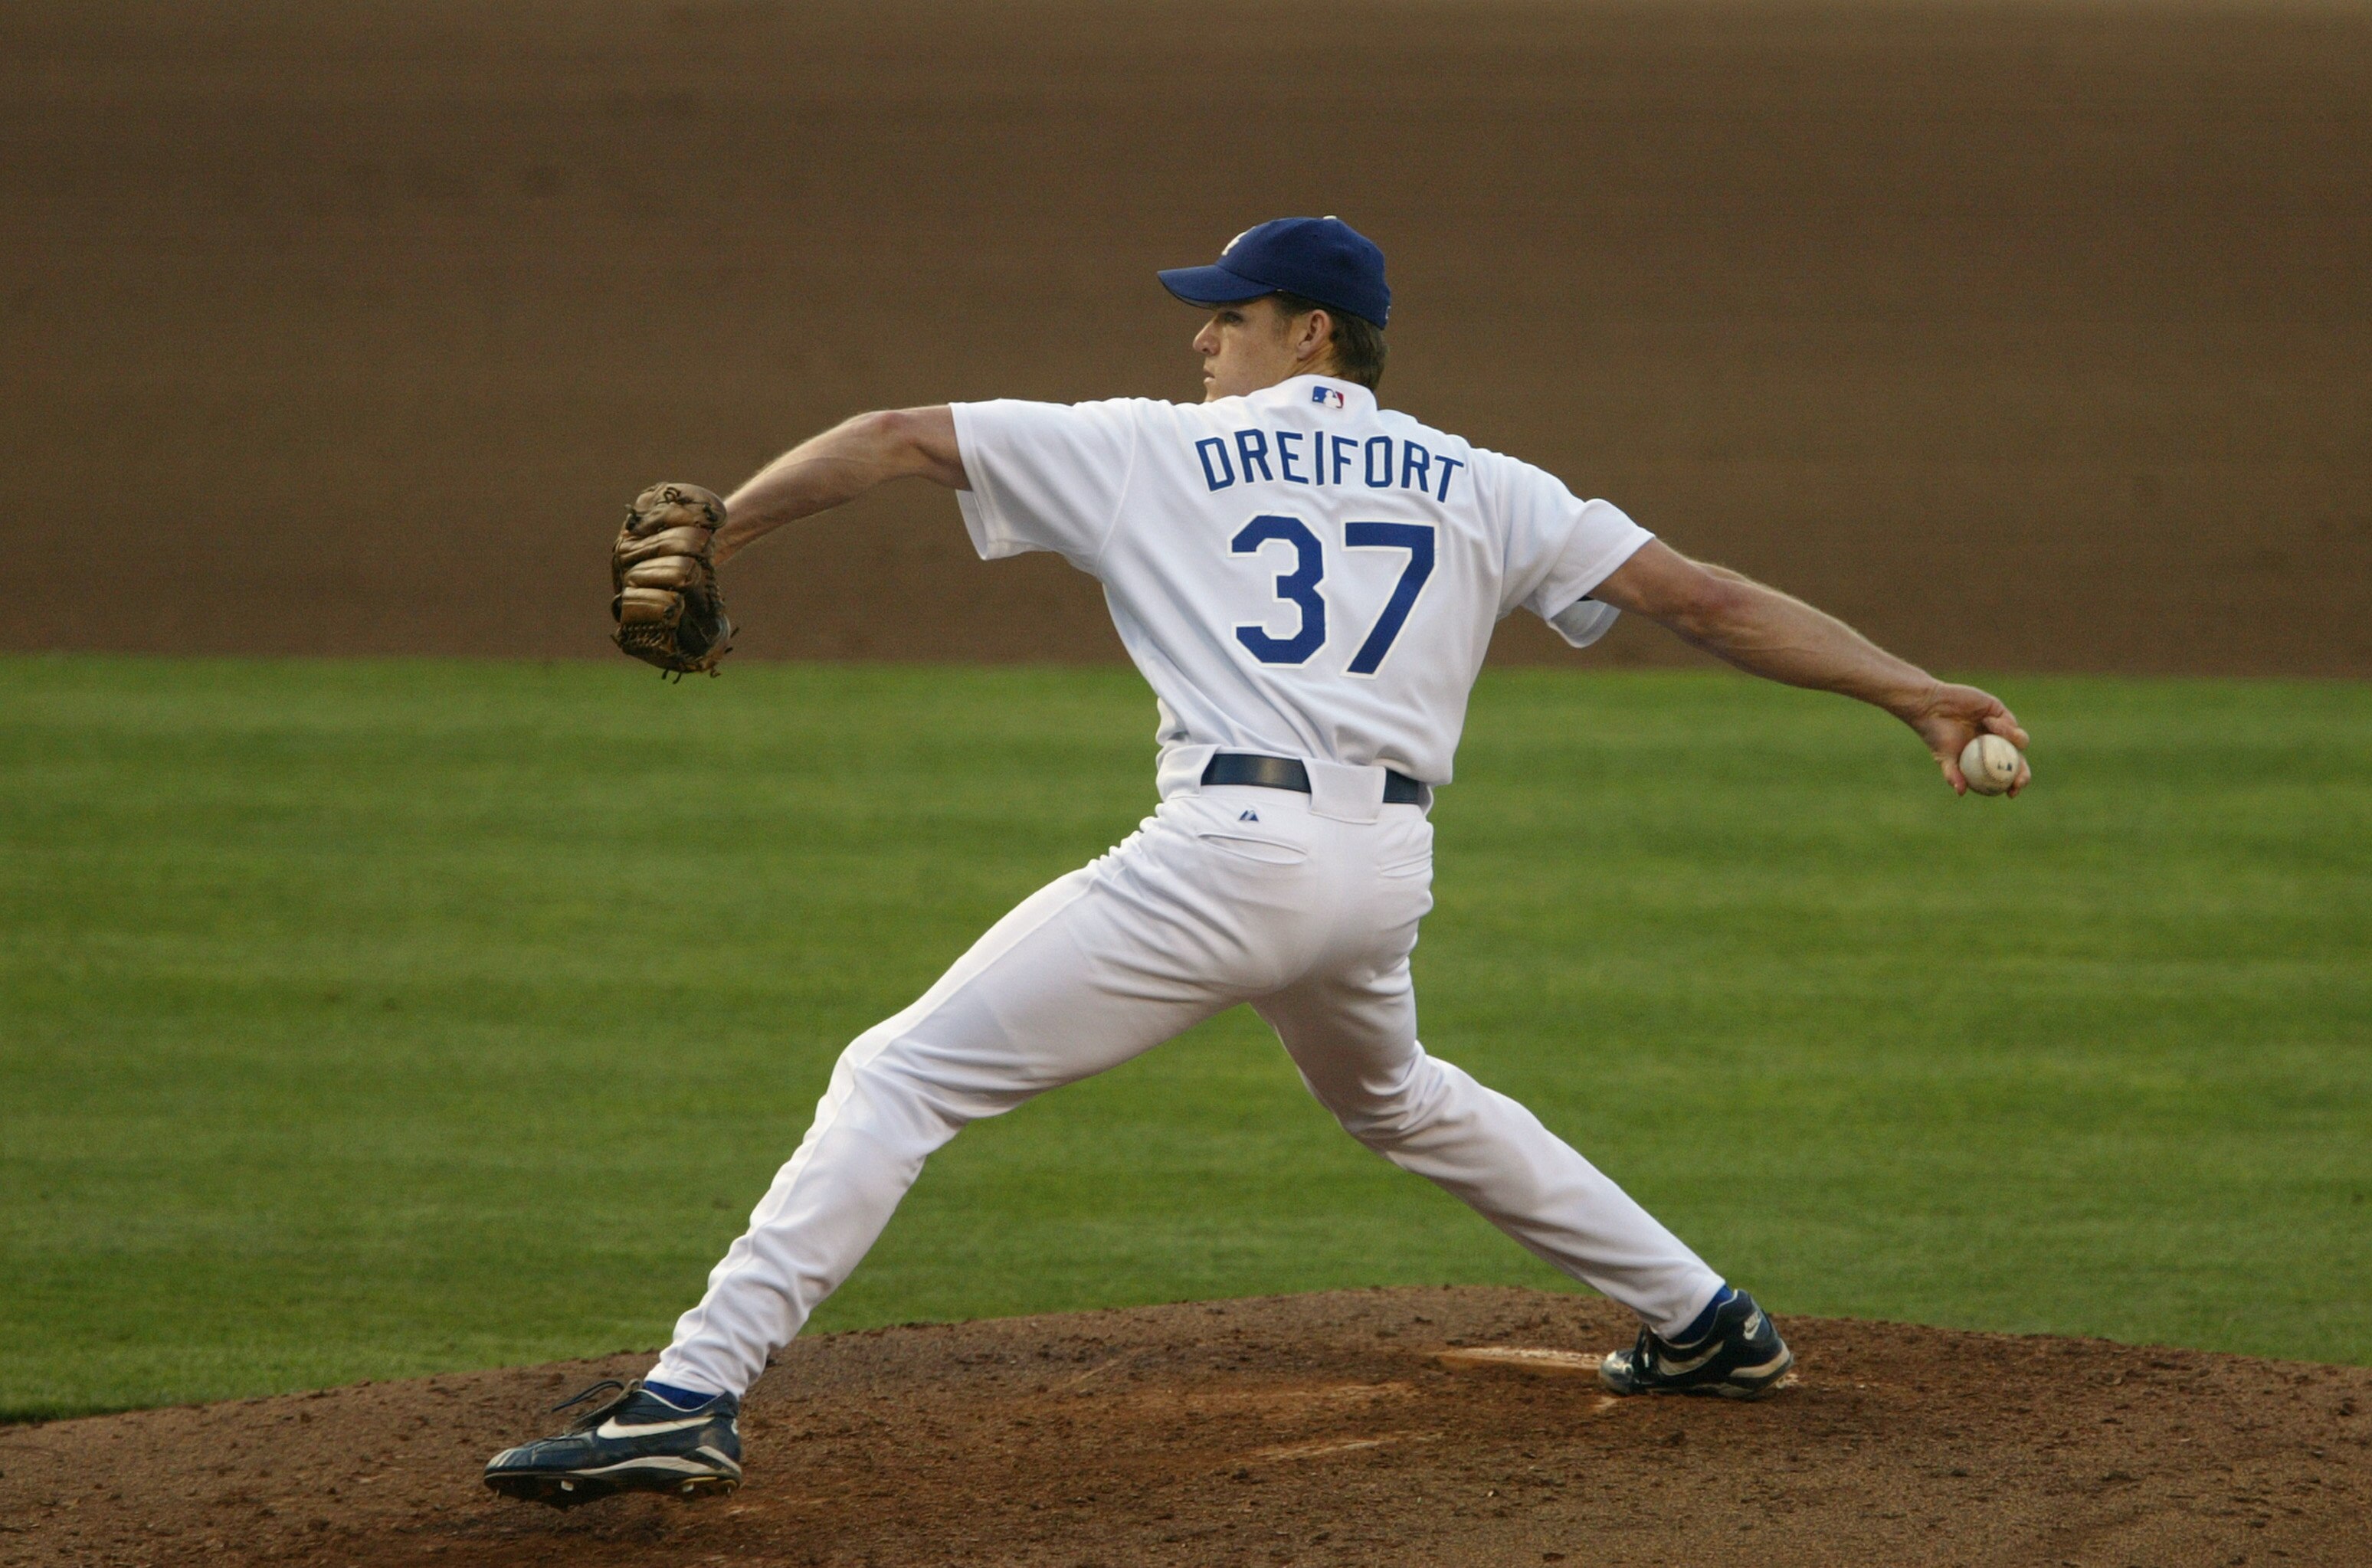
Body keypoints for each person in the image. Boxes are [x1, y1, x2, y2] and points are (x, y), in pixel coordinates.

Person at [484, 216, 2031, 1507]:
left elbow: (894, 438)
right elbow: (1702, 597)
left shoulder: (1156, 453)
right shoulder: (1486, 481)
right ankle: (1706, 1319)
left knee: (898, 1077)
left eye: (1228, 314)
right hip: (1380, 867)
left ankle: (692, 1390)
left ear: (1311, 334)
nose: (1199, 339)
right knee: (1399, 1097)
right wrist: (1914, 690)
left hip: (1225, 857)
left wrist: (727, 532)